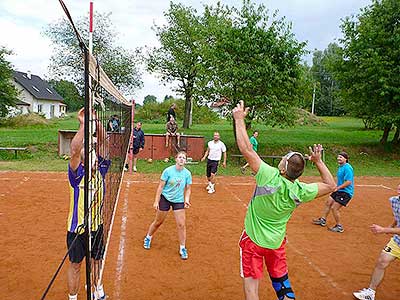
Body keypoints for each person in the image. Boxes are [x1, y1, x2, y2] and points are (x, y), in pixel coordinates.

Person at [232, 100, 336, 300]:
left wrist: (239, 120)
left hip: (253, 241)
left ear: (282, 167)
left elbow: (246, 149)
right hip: (276, 243)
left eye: (283, 158)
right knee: (283, 288)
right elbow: (331, 186)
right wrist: (319, 161)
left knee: (252, 288)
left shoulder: (268, 175)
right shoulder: (300, 190)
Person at [67, 108, 110, 300]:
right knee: (75, 266)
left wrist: (95, 120)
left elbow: (104, 142)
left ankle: (97, 289)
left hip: (96, 226)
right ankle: (73, 297)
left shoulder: (100, 169)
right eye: (90, 151)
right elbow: (75, 150)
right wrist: (84, 125)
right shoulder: (76, 175)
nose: (94, 152)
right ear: (85, 160)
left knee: (97, 261)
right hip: (77, 230)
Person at [353, 184, 400, 300]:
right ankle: (370, 292)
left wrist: (384, 230)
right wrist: (391, 226)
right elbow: (397, 215)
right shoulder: (394, 200)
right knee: (382, 261)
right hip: (398, 241)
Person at [143, 151, 192, 260]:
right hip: (165, 198)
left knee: (181, 225)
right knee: (158, 222)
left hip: (178, 200)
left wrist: (186, 199)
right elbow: (160, 187)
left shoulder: (187, 174)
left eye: (184, 158)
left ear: (185, 161)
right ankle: (148, 237)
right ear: (176, 159)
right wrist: (156, 201)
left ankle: (182, 248)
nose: (181, 159)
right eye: (180, 157)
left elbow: (188, 188)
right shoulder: (168, 171)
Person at [312, 151, 354, 233]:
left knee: (334, 208)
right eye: (338, 157)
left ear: (346, 159)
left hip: (346, 192)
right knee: (328, 202)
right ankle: (323, 220)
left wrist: (338, 188)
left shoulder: (347, 168)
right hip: (339, 190)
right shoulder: (341, 167)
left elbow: (349, 182)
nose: (339, 158)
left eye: (341, 157)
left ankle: (339, 226)